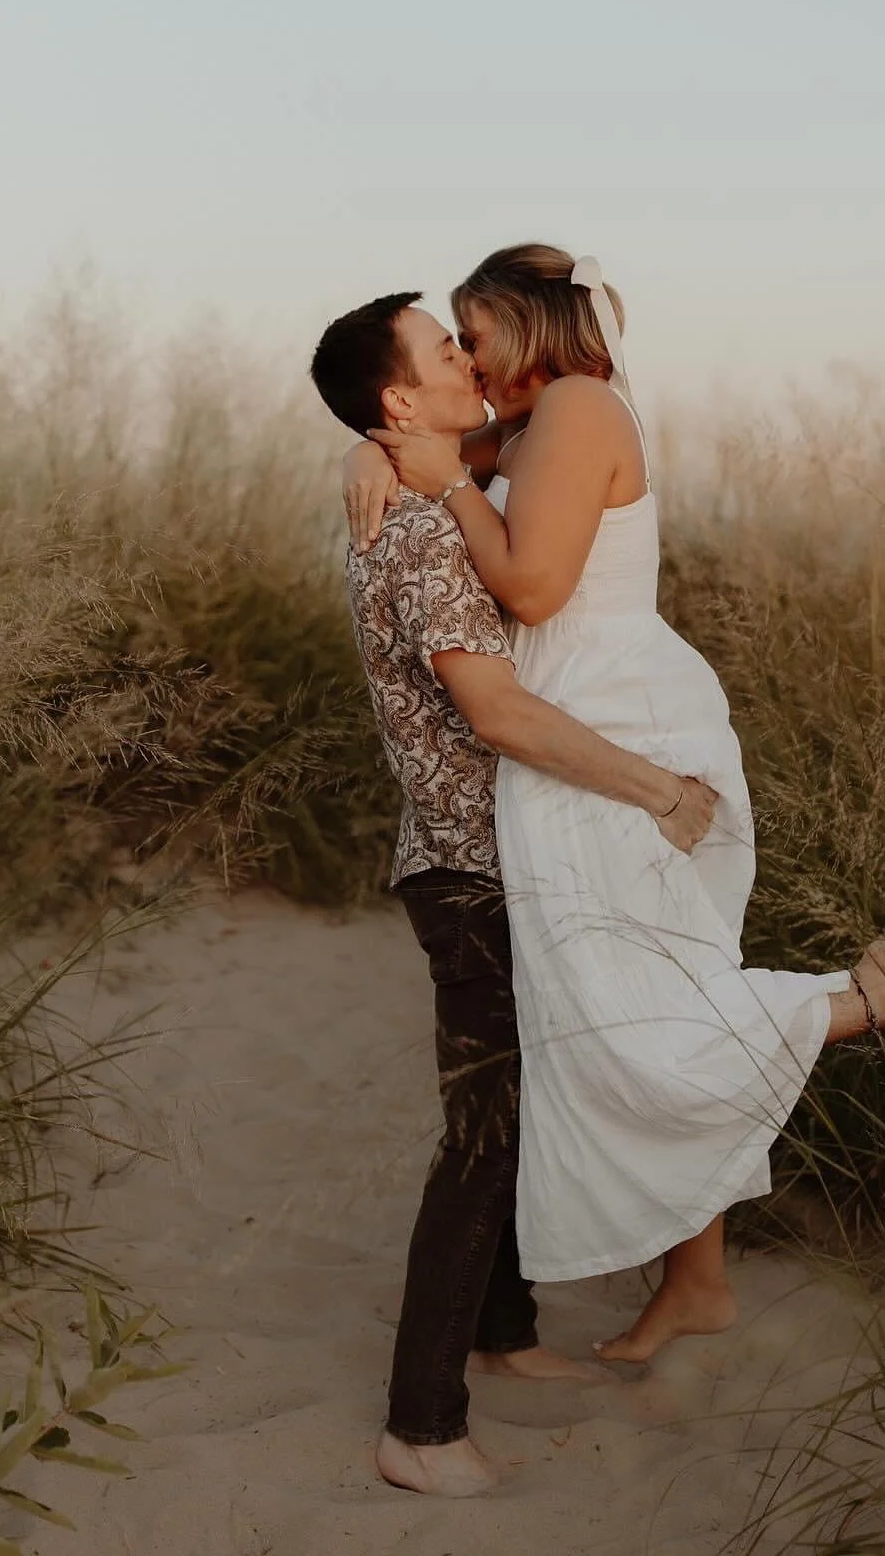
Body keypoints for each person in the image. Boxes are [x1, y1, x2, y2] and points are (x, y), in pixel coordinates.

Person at [343, 245, 885, 1366]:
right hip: (581, 721)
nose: (472, 358)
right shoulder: (538, 421)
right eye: (452, 341)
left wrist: (445, 480)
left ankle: (874, 1000)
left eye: (477, 332)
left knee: (630, 1008)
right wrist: (372, 456)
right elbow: (435, 450)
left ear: (527, 322)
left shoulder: (582, 409)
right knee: (646, 987)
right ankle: (697, 1279)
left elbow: (537, 587)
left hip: (616, 726)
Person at [308, 291, 719, 1496]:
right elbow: (494, 710)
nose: (464, 360)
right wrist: (653, 787)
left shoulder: (423, 488)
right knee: (483, 1137)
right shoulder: (429, 535)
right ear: (399, 399)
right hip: (468, 870)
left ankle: (504, 1332)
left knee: (515, 1111)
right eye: (444, 351)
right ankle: (420, 1430)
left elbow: (494, 468)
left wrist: (374, 454)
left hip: (480, 858)